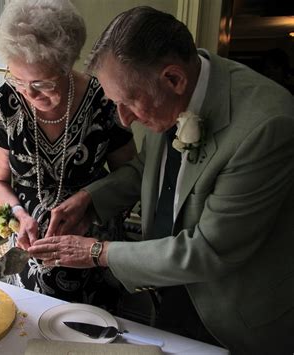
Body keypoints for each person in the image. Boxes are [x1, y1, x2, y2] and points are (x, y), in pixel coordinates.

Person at [28, 6, 294, 355]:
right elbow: (144, 169)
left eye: (129, 104)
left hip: (234, 316)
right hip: (166, 299)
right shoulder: (166, 91)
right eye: (115, 104)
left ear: (174, 79)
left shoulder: (267, 125)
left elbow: (209, 250)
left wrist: (97, 251)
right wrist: (90, 201)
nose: (124, 121)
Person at [0, 0, 136, 311]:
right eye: (19, 80)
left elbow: (133, 173)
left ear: (66, 65)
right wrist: (18, 215)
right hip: (28, 256)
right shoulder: (4, 102)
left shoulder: (103, 99)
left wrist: (90, 202)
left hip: (91, 257)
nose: (29, 93)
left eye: (41, 83)